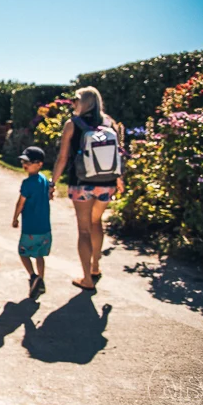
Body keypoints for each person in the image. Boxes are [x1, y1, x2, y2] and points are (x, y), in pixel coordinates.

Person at [51, 87, 124, 291]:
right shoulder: (109, 122)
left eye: (75, 100)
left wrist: (53, 182)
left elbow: (63, 158)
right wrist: (119, 179)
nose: (73, 104)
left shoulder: (72, 124)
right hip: (107, 183)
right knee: (96, 222)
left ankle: (87, 279)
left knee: (83, 230)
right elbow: (118, 154)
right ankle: (95, 267)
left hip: (81, 183)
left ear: (84, 102)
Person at [12, 146, 52, 299]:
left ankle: (33, 276)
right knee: (40, 255)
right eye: (24, 162)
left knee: (23, 252)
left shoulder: (27, 183)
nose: (25, 165)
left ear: (39, 164)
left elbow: (20, 203)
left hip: (30, 227)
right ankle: (40, 280)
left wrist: (15, 218)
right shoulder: (44, 180)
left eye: (28, 162)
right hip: (45, 227)